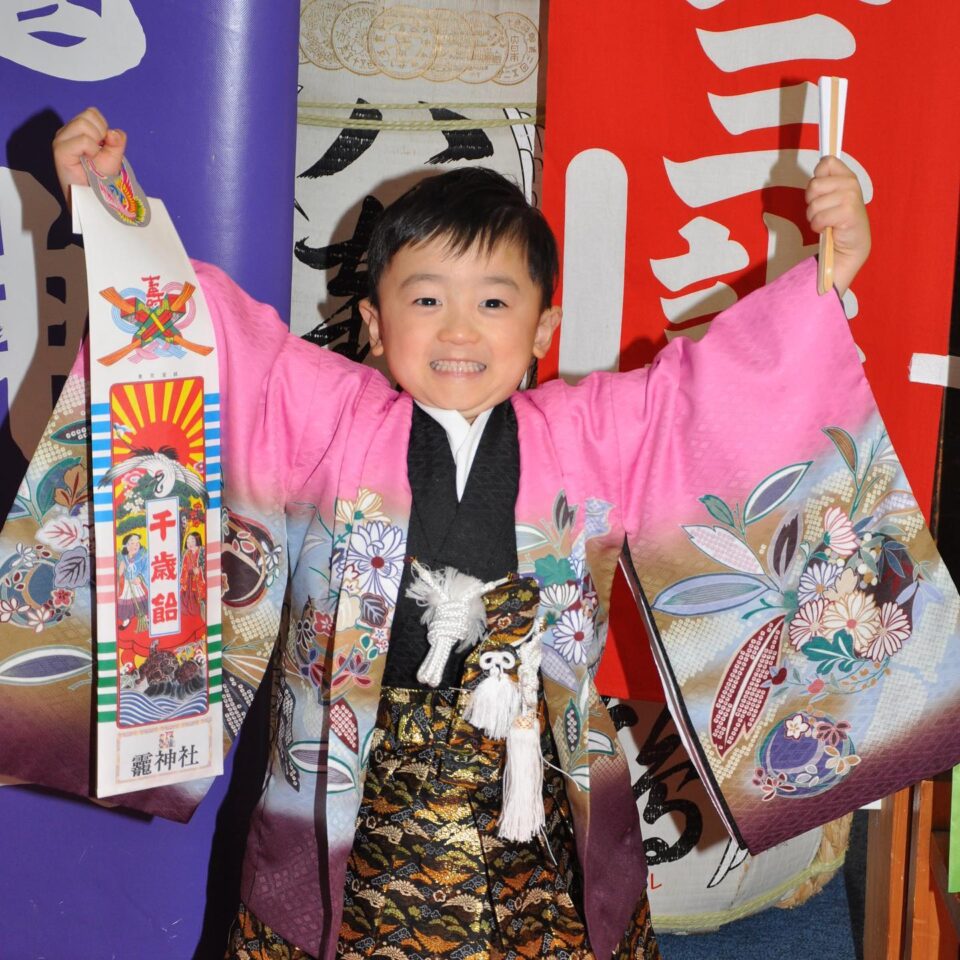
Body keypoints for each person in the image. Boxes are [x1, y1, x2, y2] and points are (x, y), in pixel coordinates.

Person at [8, 107, 870, 959]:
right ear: (376, 323)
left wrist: (828, 278)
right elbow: (212, 334)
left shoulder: (595, 431)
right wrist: (114, 203)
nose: (460, 330)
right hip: (351, 778)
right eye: (426, 298)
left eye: (494, 301)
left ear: (541, 330)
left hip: (538, 786)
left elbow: (711, 392)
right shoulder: (322, 415)